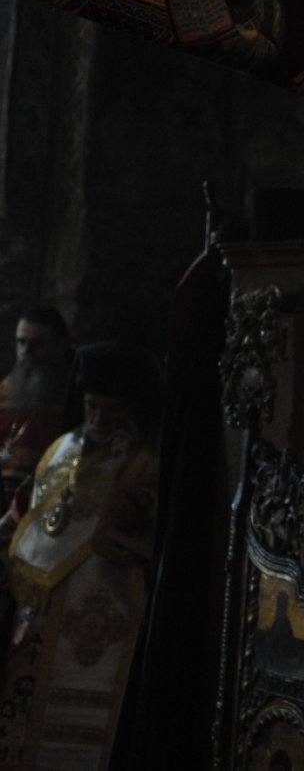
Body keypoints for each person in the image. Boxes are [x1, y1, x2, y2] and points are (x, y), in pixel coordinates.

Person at [0, 341, 163, 770]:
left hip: (103, 626)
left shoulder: (149, 467)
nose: (98, 420)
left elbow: (134, 539)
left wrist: (133, 471)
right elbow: (23, 512)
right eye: (91, 406)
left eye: (112, 411)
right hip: (31, 632)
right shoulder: (62, 448)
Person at [0, 307, 73, 516]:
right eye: (21, 342)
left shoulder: (73, 400)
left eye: (38, 343)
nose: (27, 351)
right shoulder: (2, 394)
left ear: (61, 345)